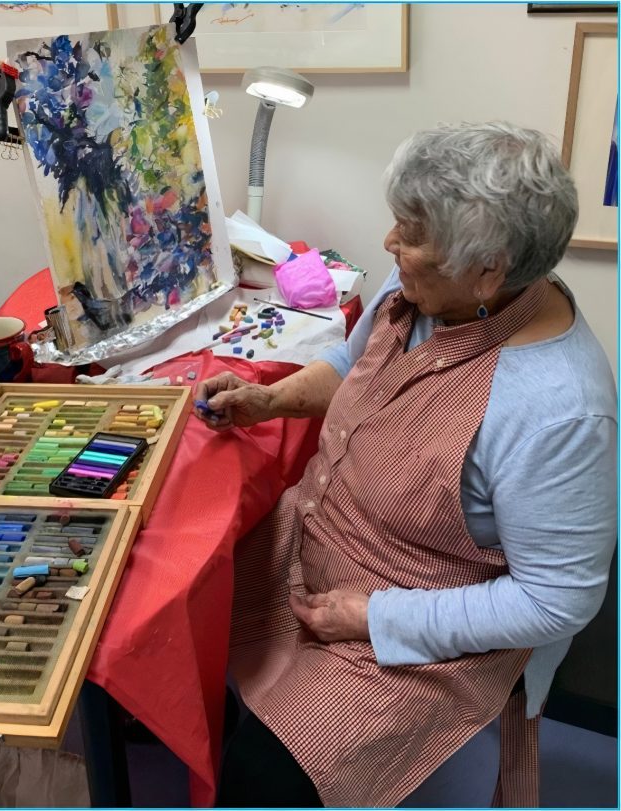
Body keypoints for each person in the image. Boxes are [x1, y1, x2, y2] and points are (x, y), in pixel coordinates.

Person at [193, 122, 617, 808]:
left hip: (421, 611)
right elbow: (352, 365)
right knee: (189, 602)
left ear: (489, 269)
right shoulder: (430, 283)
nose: (391, 245)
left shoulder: (561, 408)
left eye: (410, 235)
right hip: (327, 535)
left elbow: (557, 599)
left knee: (264, 778)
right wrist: (266, 400)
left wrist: (379, 617)